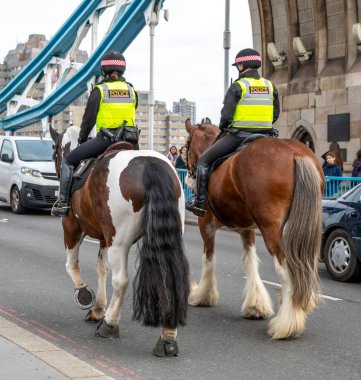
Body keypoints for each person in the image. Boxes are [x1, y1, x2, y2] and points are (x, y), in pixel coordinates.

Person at [186, 48, 280, 217]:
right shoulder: (270, 85)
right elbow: (276, 113)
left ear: (241, 65)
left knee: (203, 161)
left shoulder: (238, 86)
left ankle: (199, 204)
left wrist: (224, 126)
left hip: (239, 136)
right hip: (266, 135)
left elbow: (226, 116)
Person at [52, 51, 138, 217]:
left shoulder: (100, 90)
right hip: (131, 142)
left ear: (104, 70)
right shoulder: (131, 90)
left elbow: (88, 120)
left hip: (106, 141)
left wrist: (82, 139)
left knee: (68, 161)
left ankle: (62, 202)